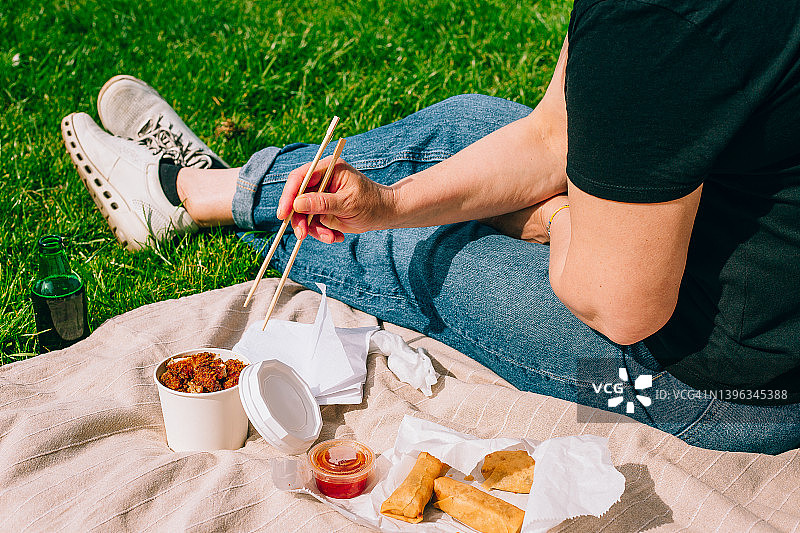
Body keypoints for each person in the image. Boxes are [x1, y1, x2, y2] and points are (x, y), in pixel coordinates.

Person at [61, 1, 800, 454]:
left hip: (728, 390)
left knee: (396, 251)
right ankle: (207, 188)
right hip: (747, 268)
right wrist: (385, 200)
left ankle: (182, 193)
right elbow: (551, 138)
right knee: (466, 122)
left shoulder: (660, 21)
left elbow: (617, 300)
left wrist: (562, 218)